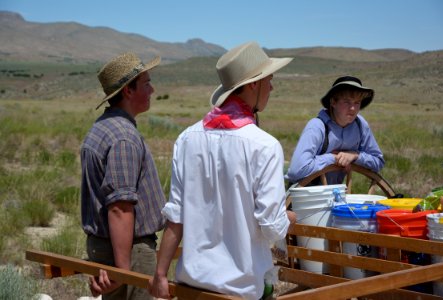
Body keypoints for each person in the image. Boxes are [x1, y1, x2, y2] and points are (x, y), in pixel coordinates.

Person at [150, 41, 297, 300]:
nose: (272, 87)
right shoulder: (265, 146)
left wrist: (160, 273)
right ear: (254, 83)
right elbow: (272, 227)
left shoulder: (186, 139)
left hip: (193, 287)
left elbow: (176, 217)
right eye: (269, 79)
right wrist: (290, 218)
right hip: (241, 288)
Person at [81, 52, 166, 300]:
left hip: (112, 246)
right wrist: (123, 271)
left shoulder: (103, 127)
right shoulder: (123, 137)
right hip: (130, 250)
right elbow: (120, 208)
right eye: (147, 83)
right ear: (128, 91)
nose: (152, 89)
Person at [286, 75, 385, 185]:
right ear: (333, 102)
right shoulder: (317, 126)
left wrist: (355, 156)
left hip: (335, 194)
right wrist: (333, 158)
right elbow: (297, 170)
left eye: (357, 102)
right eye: (347, 102)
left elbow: (378, 162)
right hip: (308, 196)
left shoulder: (360, 125)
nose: (352, 108)